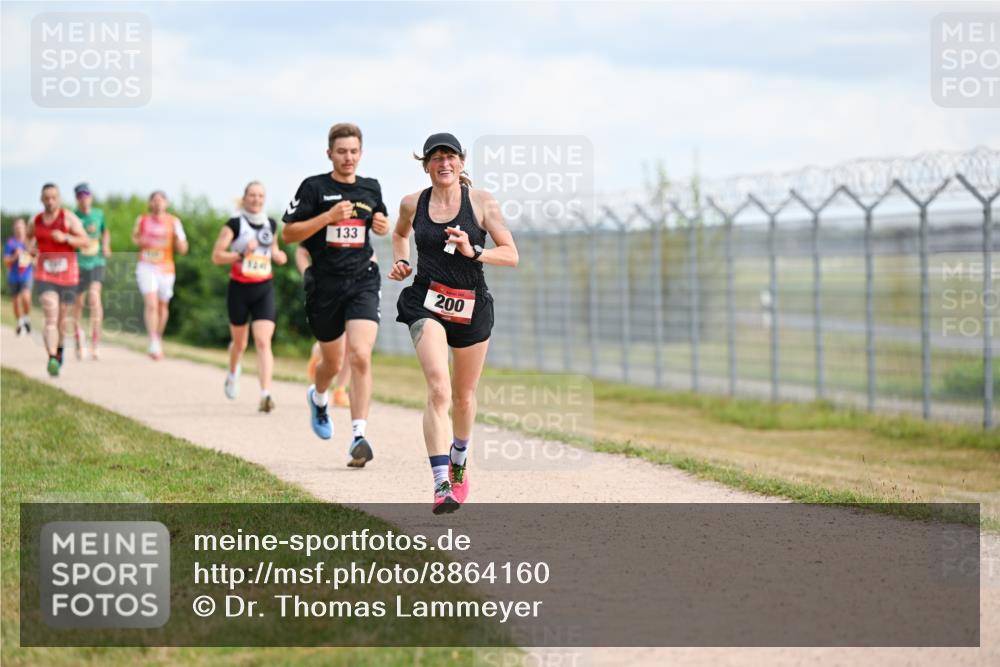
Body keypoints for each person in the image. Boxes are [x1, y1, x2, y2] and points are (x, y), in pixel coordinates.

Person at [389, 133, 518, 514]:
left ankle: (460, 458)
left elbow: (511, 255)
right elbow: (399, 234)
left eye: (450, 157)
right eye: (435, 158)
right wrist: (401, 260)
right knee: (439, 390)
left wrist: (473, 250)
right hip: (426, 300)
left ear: (461, 163)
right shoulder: (412, 203)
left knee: (463, 397)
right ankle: (441, 482)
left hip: (471, 304)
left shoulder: (481, 203)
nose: (443, 163)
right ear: (426, 164)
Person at [282, 122, 389, 467]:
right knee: (333, 362)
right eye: (341, 151)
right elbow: (289, 233)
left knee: (359, 354)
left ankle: (359, 435)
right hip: (325, 285)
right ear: (330, 153)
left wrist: (382, 225)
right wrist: (327, 217)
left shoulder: (371, 188)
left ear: (361, 153)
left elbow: (379, 219)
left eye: (354, 151)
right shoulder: (314, 188)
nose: (348, 157)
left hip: (362, 280)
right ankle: (319, 396)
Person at [212, 181, 288, 412]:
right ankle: (233, 371)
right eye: (252, 195)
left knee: (264, 341)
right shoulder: (234, 225)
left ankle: (265, 394)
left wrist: (279, 256)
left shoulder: (271, 224)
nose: (256, 199)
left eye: (260, 196)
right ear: (244, 198)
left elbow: (273, 249)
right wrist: (240, 254)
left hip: (264, 288)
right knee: (240, 343)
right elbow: (216, 256)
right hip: (239, 289)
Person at [29, 183, 90, 376]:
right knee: (50, 317)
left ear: (59, 199)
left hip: (68, 275)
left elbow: (86, 241)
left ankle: (59, 349)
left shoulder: (68, 218)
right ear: (41, 199)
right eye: (46, 198)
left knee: (62, 321)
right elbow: (28, 241)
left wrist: (66, 238)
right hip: (45, 274)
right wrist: (29, 253)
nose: (50, 201)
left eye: (53, 197)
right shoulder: (36, 221)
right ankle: (52, 357)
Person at [132, 191, 188, 360]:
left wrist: (179, 243)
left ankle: (157, 337)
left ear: (166, 203)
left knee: (163, 306)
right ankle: (153, 341)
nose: (157, 204)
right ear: (150, 204)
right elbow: (135, 238)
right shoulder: (142, 220)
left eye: (160, 200)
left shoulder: (174, 222)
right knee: (151, 303)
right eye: (154, 201)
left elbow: (184, 248)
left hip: (166, 268)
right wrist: (140, 241)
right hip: (146, 266)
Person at [297, 245, 351, 408]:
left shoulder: (363, 221)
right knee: (335, 338)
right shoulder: (326, 221)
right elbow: (301, 251)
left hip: (357, 287)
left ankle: (340, 389)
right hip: (326, 288)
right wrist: (310, 277)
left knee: (352, 340)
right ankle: (319, 351)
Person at [71, 182, 111, 360]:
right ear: (77, 199)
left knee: (94, 298)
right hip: (79, 264)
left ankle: (95, 343)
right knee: (78, 303)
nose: (83, 198)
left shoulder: (99, 214)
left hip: (96, 262)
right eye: (80, 196)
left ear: (91, 197)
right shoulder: (72, 216)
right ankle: (79, 339)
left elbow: (105, 232)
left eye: (86, 195)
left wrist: (106, 245)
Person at [4, 218, 34, 336]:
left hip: (26, 274)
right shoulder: (10, 243)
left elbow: (36, 256)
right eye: (17, 228)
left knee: (26, 297)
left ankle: (26, 318)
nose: (19, 230)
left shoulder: (29, 242)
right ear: (14, 229)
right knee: (16, 301)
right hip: (13, 276)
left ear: (25, 228)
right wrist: (15, 256)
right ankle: (20, 323)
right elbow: (6, 261)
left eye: (21, 227)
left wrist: (32, 257)